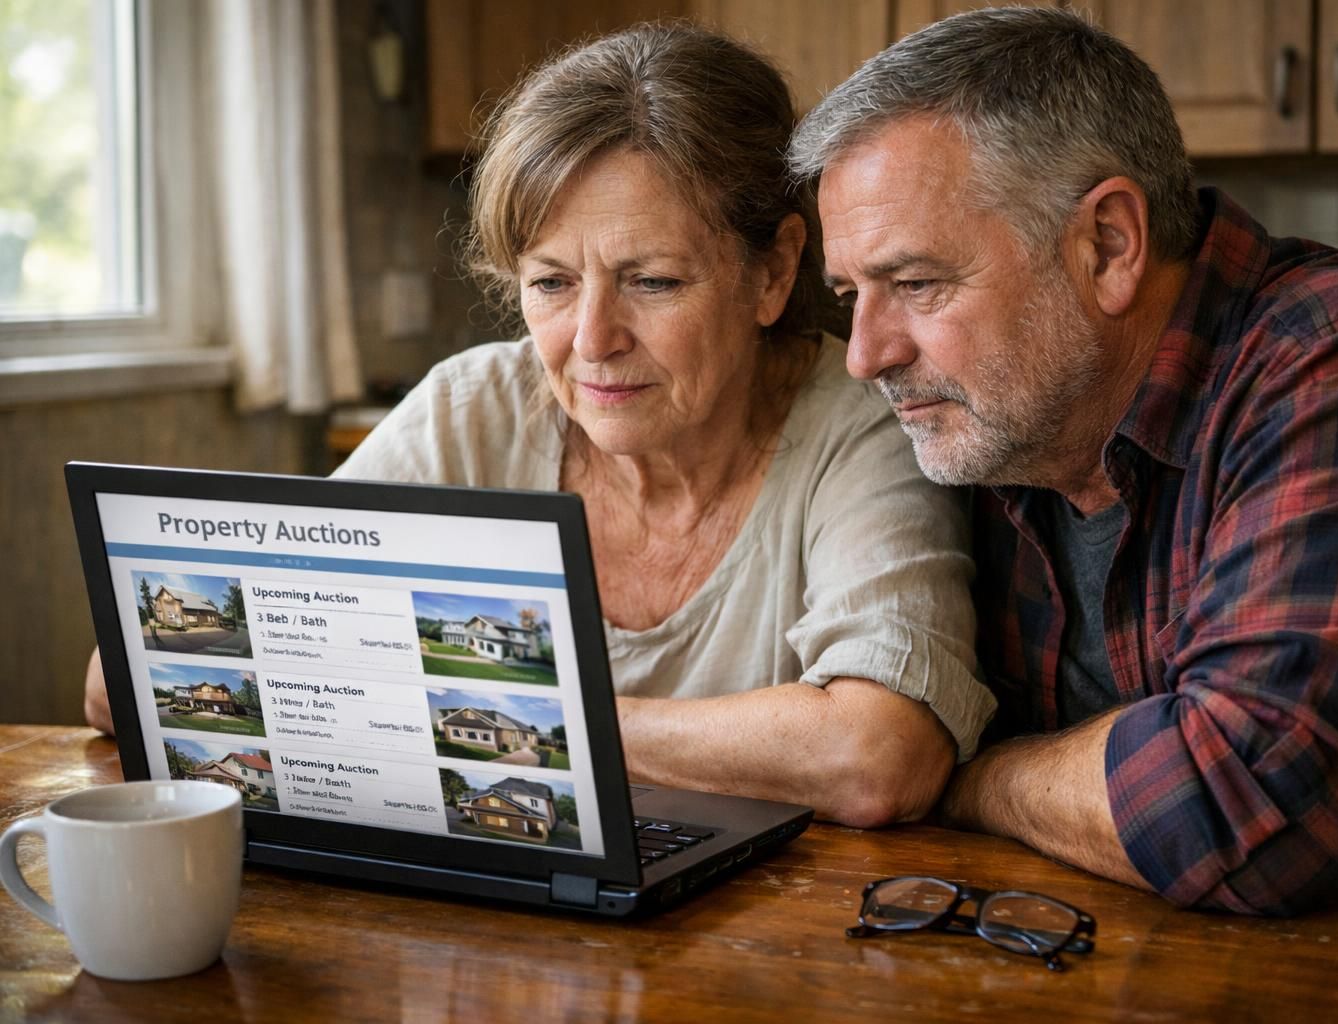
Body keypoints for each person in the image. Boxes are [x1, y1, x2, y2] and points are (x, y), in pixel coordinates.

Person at [82, 23, 995, 828]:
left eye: (654, 281)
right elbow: (123, 681)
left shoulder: (861, 434)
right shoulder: (468, 411)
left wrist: (525, 724)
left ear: (771, 272)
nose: (592, 341)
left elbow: (879, 754)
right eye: (551, 283)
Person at [788, 5, 1338, 985]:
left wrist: (974, 777)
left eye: (918, 283)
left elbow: (1247, 805)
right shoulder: (1004, 431)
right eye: (852, 296)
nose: (865, 355)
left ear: (1108, 243)